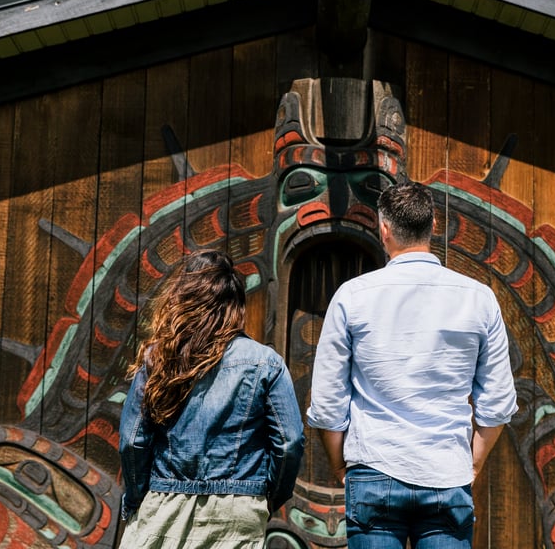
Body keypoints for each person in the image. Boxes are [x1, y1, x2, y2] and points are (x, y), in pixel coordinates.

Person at [306, 181, 518, 548]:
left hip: (373, 468)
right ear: (434, 225)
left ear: (384, 230)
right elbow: (498, 402)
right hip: (446, 471)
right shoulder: (479, 299)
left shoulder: (352, 297)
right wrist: (472, 464)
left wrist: (341, 465)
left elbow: (327, 403)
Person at [118, 249, 305, 549]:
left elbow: (132, 441)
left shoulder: (158, 360)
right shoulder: (265, 362)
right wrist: (264, 496)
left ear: (182, 301)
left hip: (164, 508)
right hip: (237, 511)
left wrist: (138, 497)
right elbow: (289, 443)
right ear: (237, 307)